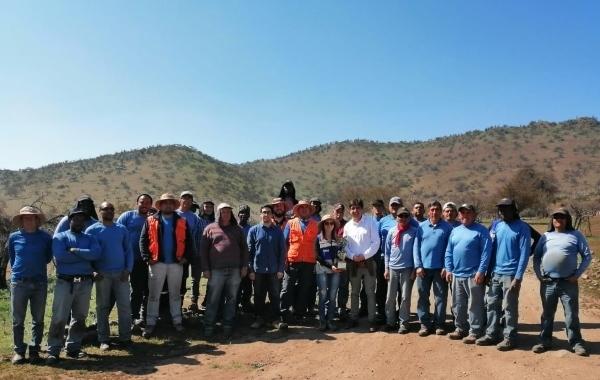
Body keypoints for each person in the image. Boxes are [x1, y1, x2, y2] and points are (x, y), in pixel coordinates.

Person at [532, 208, 592, 357]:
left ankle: (576, 342)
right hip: (548, 282)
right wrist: (539, 274)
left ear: (568, 220)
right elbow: (537, 257)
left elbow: (587, 256)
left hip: (568, 282)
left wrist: (577, 275)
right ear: (552, 220)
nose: (558, 219)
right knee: (547, 314)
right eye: (556, 217)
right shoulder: (546, 236)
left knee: (571, 314)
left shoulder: (576, 235)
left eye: (562, 217)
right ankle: (544, 341)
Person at [47, 208, 101, 364]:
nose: (79, 222)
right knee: (59, 317)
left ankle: (73, 348)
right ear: (69, 220)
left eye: (81, 219)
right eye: (75, 219)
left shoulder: (90, 238)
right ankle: (53, 350)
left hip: (85, 282)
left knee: (80, 317)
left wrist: (75, 251)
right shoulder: (60, 237)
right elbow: (61, 257)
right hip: (65, 282)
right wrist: (84, 256)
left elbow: (96, 254)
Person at [475, 198, 530, 350]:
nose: (503, 211)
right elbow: (491, 251)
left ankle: (509, 337)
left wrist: (518, 277)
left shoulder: (522, 227)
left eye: (506, 208)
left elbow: (524, 254)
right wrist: (487, 272)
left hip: (511, 275)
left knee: (509, 307)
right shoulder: (496, 226)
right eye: (500, 209)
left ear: (514, 209)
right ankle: (492, 334)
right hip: (495, 274)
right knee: (492, 305)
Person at [140, 193, 194, 338]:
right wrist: (146, 258)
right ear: (161, 205)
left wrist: (186, 258)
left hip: (176, 264)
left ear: (174, 205)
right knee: (153, 295)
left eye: (170, 203)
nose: (168, 205)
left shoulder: (182, 220)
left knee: (175, 294)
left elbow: (189, 241)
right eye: (165, 203)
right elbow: (143, 240)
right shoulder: (151, 220)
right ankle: (150, 323)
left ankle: (177, 321)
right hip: (157, 263)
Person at [7, 206, 52, 364]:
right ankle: (19, 351)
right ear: (21, 220)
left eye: (32, 217)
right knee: (17, 320)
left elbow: (47, 258)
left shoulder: (46, 238)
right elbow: (12, 257)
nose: (28, 219)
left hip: (39, 283)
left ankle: (34, 350)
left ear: (37, 220)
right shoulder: (13, 237)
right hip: (19, 282)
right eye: (25, 217)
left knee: (38, 319)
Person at [86, 202, 133, 350]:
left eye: (112, 209)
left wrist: (128, 269)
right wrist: (92, 271)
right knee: (102, 307)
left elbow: (128, 251)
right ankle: (104, 339)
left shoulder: (121, 229)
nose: (109, 211)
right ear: (100, 211)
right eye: (105, 209)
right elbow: (87, 254)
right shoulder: (92, 230)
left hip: (121, 274)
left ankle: (125, 337)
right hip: (102, 275)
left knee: (124, 306)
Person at [444, 203, 492, 344]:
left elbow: (486, 253)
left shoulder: (481, 231)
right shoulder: (455, 230)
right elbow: (449, 251)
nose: (465, 215)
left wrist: (481, 271)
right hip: (457, 274)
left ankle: (475, 331)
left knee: (475, 305)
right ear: (459, 215)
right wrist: (448, 268)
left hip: (473, 275)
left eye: (468, 213)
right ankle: (460, 329)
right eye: (462, 213)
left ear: (474, 215)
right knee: (458, 304)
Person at [200, 203, 249, 338]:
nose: (225, 214)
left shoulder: (238, 229)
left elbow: (245, 249)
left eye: (228, 212)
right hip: (216, 270)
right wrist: (205, 268)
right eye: (223, 212)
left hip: (235, 270)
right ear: (218, 213)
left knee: (232, 299)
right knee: (213, 299)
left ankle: (227, 325)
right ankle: (209, 325)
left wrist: (244, 266)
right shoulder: (210, 228)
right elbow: (203, 250)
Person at [413, 200, 453, 336]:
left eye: (437, 209)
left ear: (441, 211)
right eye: (432, 210)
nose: (434, 212)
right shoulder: (421, 227)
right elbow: (416, 247)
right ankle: (424, 324)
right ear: (428, 211)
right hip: (423, 269)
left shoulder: (447, 228)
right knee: (423, 296)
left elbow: (450, 249)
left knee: (440, 297)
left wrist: (446, 267)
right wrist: (418, 266)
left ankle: (439, 324)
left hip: (440, 269)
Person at [247, 205, 287, 330]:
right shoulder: (254, 230)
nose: (266, 214)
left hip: (274, 271)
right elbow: (250, 252)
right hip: (258, 270)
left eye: (268, 212)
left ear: (272, 215)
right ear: (260, 215)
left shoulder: (278, 231)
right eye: (263, 212)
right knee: (259, 295)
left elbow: (282, 252)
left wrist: (281, 269)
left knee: (275, 295)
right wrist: (251, 270)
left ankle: (275, 319)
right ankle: (259, 318)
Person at [116, 193, 153, 329]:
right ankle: (131, 317)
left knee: (145, 290)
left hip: (145, 260)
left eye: (147, 202)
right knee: (132, 290)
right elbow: (117, 234)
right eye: (142, 202)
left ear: (151, 205)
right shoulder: (127, 216)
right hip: (129, 259)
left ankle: (142, 317)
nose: (144, 205)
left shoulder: (152, 219)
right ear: (137, 202)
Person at [343, 199, 380, 332]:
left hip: (369, 262)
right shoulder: (347, 226)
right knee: (354, 292)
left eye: (358, 208)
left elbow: (376, 242)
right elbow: (345, 246)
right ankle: (353, 318)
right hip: (354, 263)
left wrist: (363, 256)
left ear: (362, 209)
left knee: (370, 292)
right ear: (350, 210)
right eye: (352, 208)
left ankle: (372, 320)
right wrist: (353, 256)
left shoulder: (370, 222)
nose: (355, 210)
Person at [280, 200, 319, 323]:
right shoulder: (290, 223)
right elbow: (284, 243)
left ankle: (299, 314)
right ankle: (284, 313)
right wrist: (284, 260)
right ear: (298, 210)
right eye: (301, 208)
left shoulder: (316, 225)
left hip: (309, 262)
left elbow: (318, 244)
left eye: (306, 208)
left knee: (304, 288)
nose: (304, 209)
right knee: (287, 288)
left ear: (310, 210)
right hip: (292, 260)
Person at [384, 207, 417, 333]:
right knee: (390, 297)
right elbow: (387, 251)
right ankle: (390, 322)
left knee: (405, 297)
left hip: (407, 268)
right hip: (393, 268)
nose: (402, 218)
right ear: (396, 217)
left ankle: (404, 323)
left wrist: (415, 268)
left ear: (409, 217)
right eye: (400, 216)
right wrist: (386, 268)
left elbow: (416, 252)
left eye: (405, 216)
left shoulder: (414, 232)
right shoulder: (392, 231)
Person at [177, 191, 207, 312]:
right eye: (185, 198)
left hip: (194, 252)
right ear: (180, 199)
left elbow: (203, 232)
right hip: (178, 253)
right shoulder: (174, 214)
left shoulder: (195, 217)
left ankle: (194, 302)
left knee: (195, 278)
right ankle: (178, 304)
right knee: (181, 278)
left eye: (190, 199)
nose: (187, 201)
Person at [315, 214, 343, 331]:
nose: (329, 225)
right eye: (327, 223)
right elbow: (317, 256)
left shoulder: (339, 239)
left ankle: (330, 321)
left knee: (332, 296)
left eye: (332, 223)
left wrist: (341, 267)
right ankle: (322, 321)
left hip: (335, 271)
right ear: (322, 225)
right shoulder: (318, 238)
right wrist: (330, 266)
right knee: (322, 295)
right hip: (322, 270)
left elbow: (342, 255)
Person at [237, 204, 254, 313]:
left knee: (247, 287)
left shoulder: (252, 229)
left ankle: (245, 304)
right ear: (238, 214)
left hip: (247, 262)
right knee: (236, 286)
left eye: (246, 213)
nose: (244, 215)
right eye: (242, 213)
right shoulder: (233, 228)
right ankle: (235, 306)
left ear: (248, 216)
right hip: (235, 262)